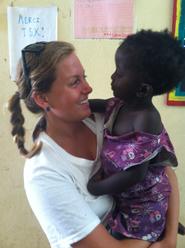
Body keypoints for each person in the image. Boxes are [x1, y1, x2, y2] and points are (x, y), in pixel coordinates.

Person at [8, 40, 179, 248]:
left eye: (84, 77)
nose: (88, 88)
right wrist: (156, 241)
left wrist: (169, 238)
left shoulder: (109, 118)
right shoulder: (44, 173)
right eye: (74, 82)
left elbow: (162, 170)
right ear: (43, 98)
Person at [87, 29, 185, 244]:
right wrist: (79, 107)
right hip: (126, 198)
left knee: (128, 235)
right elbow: (101, 105)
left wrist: (96, 188)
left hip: (144, 204)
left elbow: (135, 174)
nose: (112, 76)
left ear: (142, 90)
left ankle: (159, 224)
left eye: (119, 73)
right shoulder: (121, 105)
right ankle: (161, 225)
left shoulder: (146, 120)